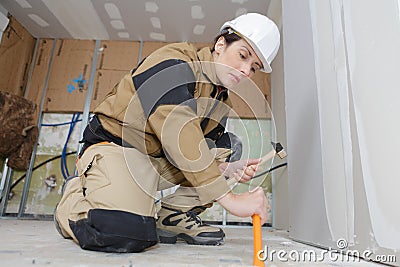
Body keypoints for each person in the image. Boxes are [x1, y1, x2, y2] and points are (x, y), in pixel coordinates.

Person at [54, 12, 280, 253]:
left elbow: (199, 151)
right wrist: (231, 200)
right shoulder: (173, 61)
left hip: (156, 161)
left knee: (227, 147)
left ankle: (173, 218)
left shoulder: (220, 100)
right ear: (221, 44)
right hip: (117, 146)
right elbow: (177, 127)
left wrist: (227, 169)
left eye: (254, 67)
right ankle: (72, 200)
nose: (246, 70)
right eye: (243, 55)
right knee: (122, 232)